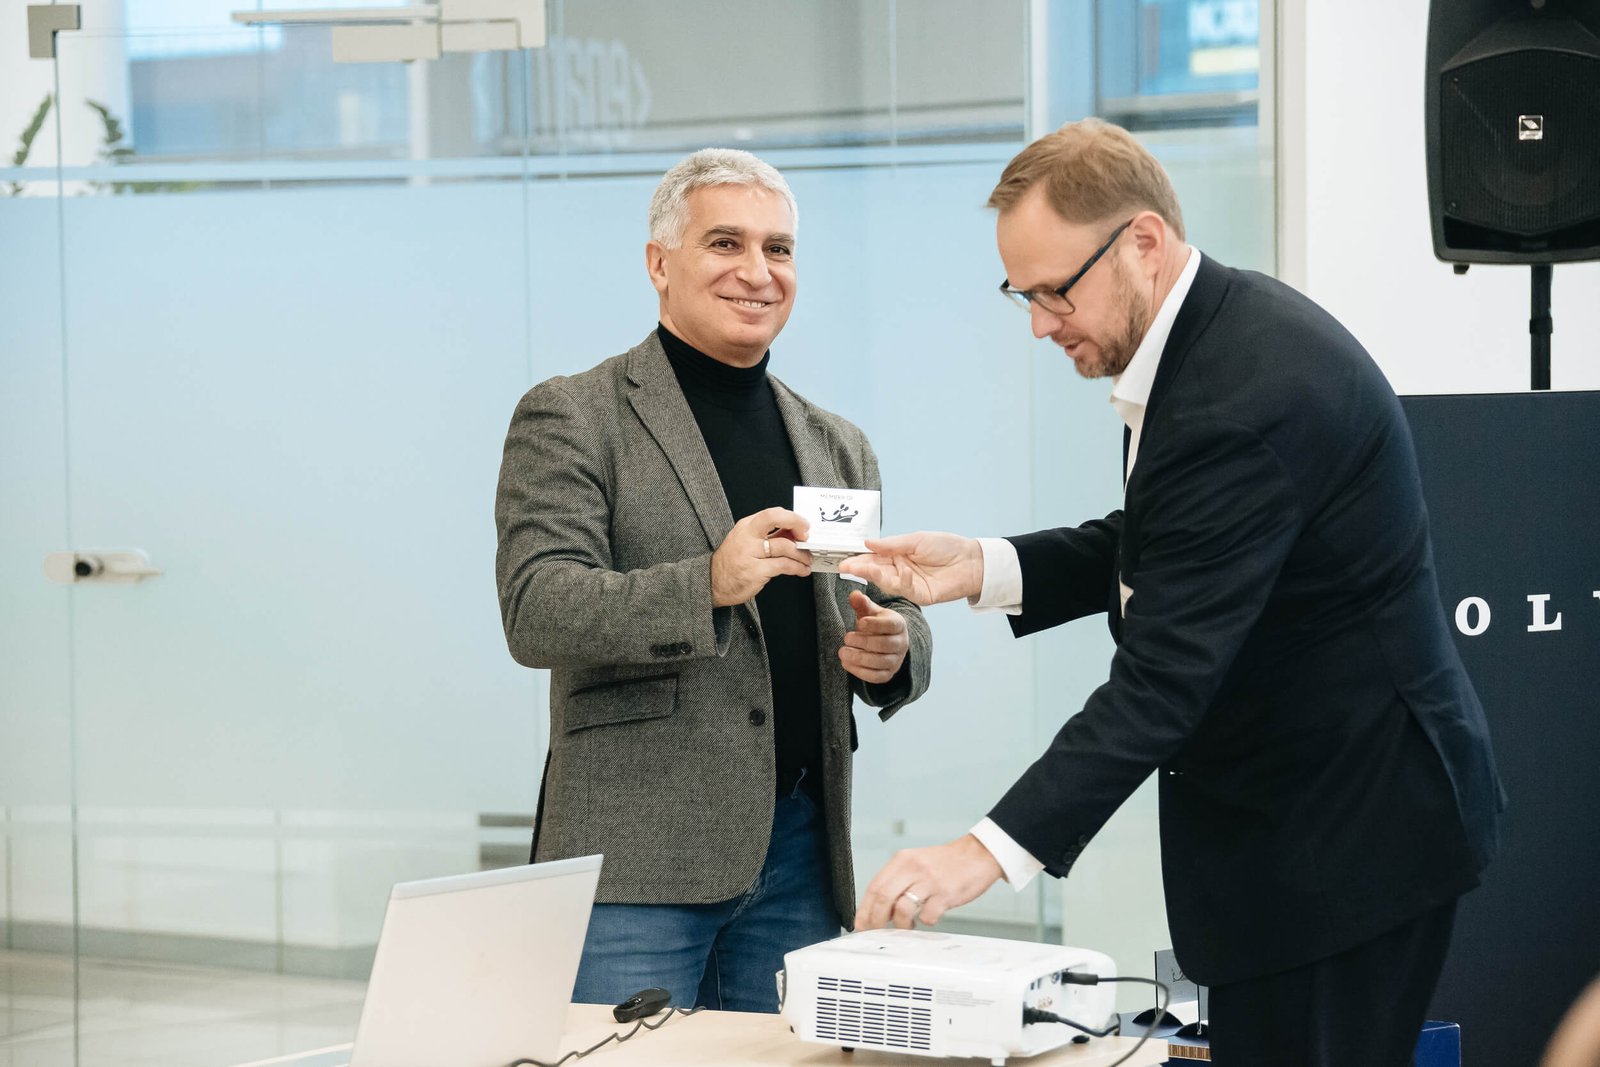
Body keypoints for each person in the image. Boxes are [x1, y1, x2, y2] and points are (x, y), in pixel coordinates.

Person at [841, 119, 1504, 1066]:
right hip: (1306, 828)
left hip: (1345, 841)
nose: (1039, 324)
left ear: (1143, 241)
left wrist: (980, 853)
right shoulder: (1212, 334)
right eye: (1021, 295)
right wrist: (981, 567)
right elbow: (1170, 542)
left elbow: (1161, 681)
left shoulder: (1242, 395)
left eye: (1054, 291)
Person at [494, 148, 931, 1013]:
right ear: (660, 263)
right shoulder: (573, 415)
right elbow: (537, 608)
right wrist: (707, 582)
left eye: (779, 248)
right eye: (725, 242)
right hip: (639, 859)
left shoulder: (838, 443)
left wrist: (895, 649)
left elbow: (891, 602)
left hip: (802, 851)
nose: (758, 272)